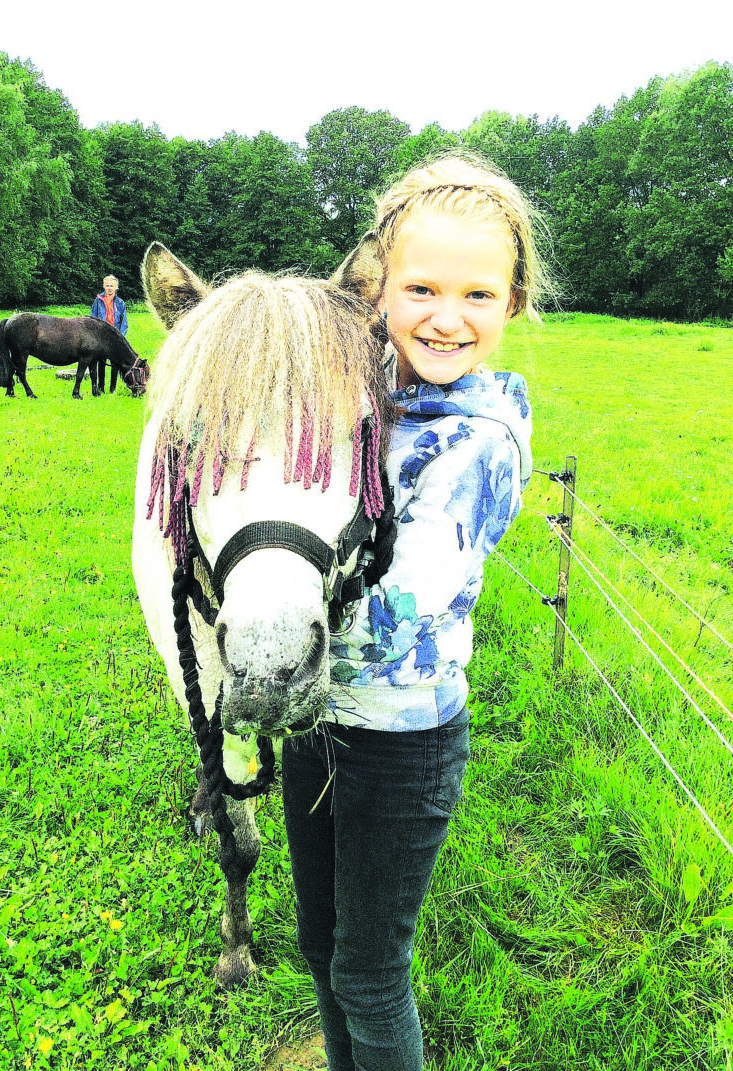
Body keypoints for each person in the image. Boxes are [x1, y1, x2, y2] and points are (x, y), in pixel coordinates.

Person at [281, 152, 554, 1071]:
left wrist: (268, 626)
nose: (447, 317)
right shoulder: (364, 398)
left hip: (401, 744)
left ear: (513, 303)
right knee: (319, 944)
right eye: (422, 287)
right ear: (379, 291)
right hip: (314, 720)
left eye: (479, 294)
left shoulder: (478, 441)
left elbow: (401, 605)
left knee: (368, 970)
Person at [90, 274, 128, 392]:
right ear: (104, 286)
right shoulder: (98, 300)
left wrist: (120, 338)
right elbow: (92, 318)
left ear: (116, 287)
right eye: (107, 285)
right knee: (101, 362)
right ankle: (101, 388)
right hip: (101, 336)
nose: (109, 288)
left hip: (115, 336)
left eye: (112, 286)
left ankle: (112, 389)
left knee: (115, 363)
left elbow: (124, 323)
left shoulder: (121, 303)